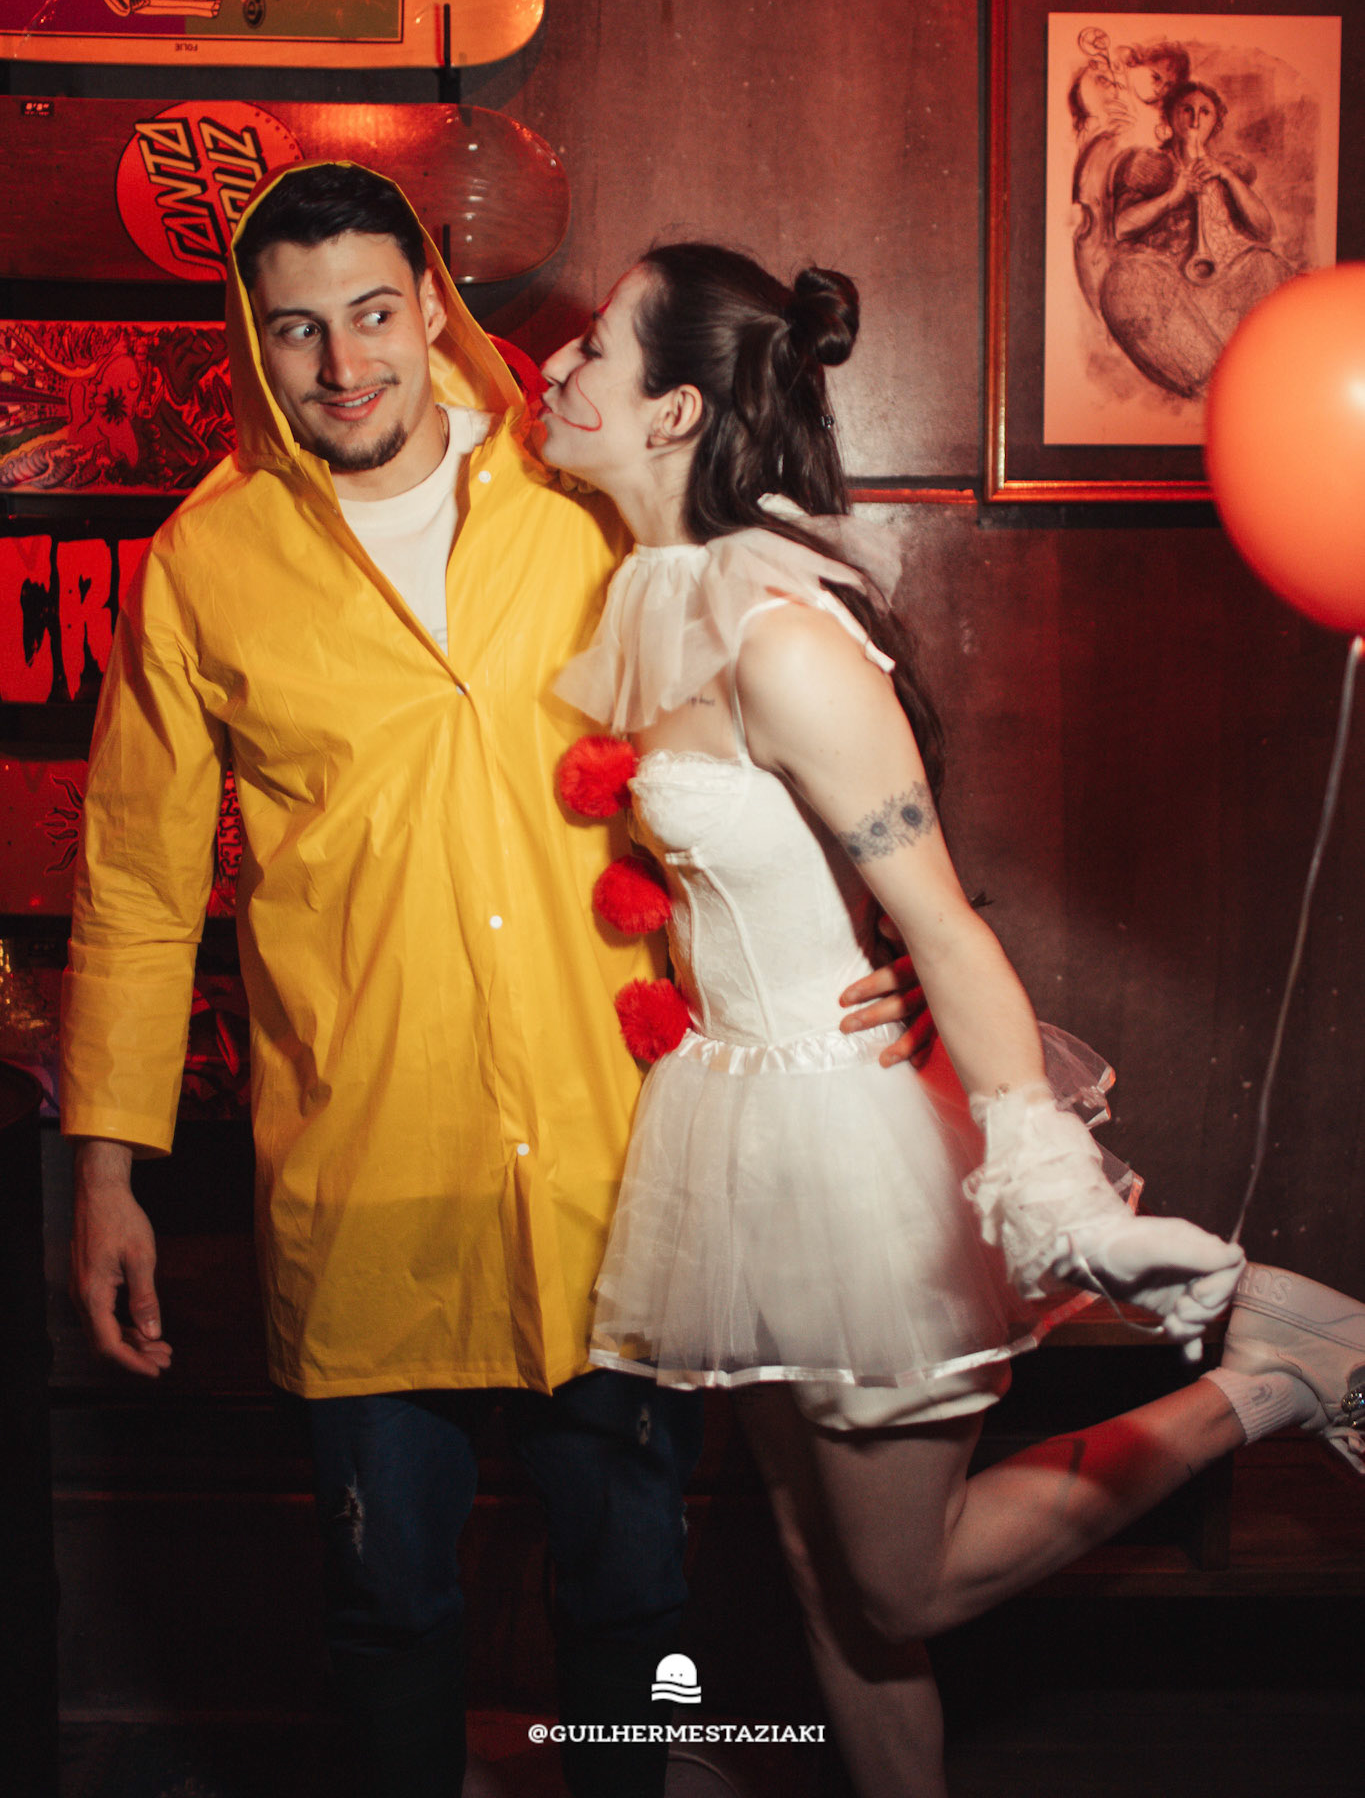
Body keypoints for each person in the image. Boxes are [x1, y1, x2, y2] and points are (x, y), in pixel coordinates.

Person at [64, 165, 876, 1798]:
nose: (343, 362)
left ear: (431, 302)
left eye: (374, 311)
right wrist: (108, 1169)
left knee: (633, 1590)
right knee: (383, 1604)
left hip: (620, 1163)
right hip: (366, 1165)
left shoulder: (580, 486)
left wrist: (875, 952)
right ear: (253, 339)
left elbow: (782, 706)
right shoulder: (202, 560)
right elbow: (139, 880)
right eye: (298, 328)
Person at [538, 241, 1365, 1798]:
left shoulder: (779, 635)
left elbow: (943, 922)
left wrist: (1051, 1187)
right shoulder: (662, 596)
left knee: (900, 1586)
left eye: (593, 349)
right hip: (737, 1120)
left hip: (849, 1138)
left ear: (674, 413)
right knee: (826, 1581)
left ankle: (1272, 1381)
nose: (555, 368)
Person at [1099, 77, 1293, 396]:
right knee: (1125, 281)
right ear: (1169, 117)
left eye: (1205, 112)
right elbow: (1121, 227)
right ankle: (1214, 386)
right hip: (1169, 280)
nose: (1194, 120)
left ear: (1216, 122)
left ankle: (1257, 382)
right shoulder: (1150, 165)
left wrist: (1227, 177)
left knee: (1268, 267)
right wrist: (1174, 196)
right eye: (1186, 110)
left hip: (1228, 280)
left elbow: (1264, 230)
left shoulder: (1228, 168)